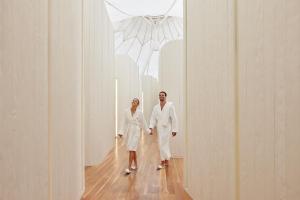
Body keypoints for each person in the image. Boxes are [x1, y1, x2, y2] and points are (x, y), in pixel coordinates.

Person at [118, 98, 151, 174]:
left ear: (138, 104)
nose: (134, 102)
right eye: (133, 101)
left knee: (131, 148)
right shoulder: (126, 111)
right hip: (129, 131)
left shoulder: (140, 113)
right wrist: (121, 131)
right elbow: (123, 122)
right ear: (131, 102)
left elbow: (144, 123)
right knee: (133, 149)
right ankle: (136, 165)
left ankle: (129, 167)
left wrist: (148, 131)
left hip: (136, 131)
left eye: (136, 101)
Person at [149, 91, 178, 170]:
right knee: (161, 143)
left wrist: (174, 129)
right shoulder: (156, 107)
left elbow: (174, 118)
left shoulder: (170, 105)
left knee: (164, 143)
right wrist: (151, 127)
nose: (161, 96)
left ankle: (164, 160)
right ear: (159, 97)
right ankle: (165, 159)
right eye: (160, 95)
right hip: (159, 127)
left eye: (163, 95)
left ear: (165, 96)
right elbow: (153, 118)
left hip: (167, 127)